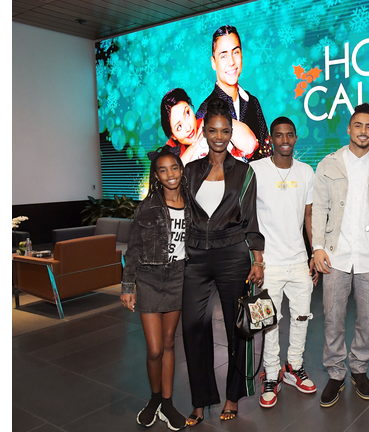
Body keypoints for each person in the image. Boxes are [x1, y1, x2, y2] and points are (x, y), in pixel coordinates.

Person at [180, 98, 265, 424]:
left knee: (238, 329)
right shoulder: (189, 171)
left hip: (233, 257)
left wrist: (257, 261)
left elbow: (251, 222)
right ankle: (200, 401)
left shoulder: (245, 172)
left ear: (232, 132)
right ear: (204, 131)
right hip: (196, 258)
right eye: (212, 130)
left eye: (224, 130)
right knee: (193, 328)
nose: (218, 136)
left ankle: (232, 397)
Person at [311, 103, 369, 408]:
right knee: (333, 318)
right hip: (335, 256)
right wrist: (317, 247)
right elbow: (319, 209)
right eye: (358, 126)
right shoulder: (329, 164)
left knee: (368, 318)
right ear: (348, 129)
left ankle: (359, 368)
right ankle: (336, 373)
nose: (364, 131)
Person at [249, 116, 318, 408]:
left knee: (302, 317)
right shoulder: (255, 170)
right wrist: (256, 259)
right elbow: (247, 218)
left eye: (290, 134)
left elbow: (309, 216)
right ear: (271, 140)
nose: (285, 140)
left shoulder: (306, 172)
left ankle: (293, 366)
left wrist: (314, 253)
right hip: (268, 264)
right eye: (279, 135)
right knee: (268, 322)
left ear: (295, 137)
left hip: (299, 261)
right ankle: (271, 373)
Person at [120, 147, 190, 430]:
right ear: (156, 176)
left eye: (174, 168)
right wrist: (128, 286)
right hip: (149, 279)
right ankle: (154, 400)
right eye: (163, 170)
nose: (170, 175)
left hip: (178, 278)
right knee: (154, 348)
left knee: (170, 342)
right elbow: (133, 248)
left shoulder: (191, 205)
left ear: (181, 170)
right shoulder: (147, 208)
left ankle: (168, 403)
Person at [196, 25, 273, 162]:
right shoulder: (205, 110)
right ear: (214, 62)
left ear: (242, 55)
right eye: (223, 55)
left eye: (235, 52)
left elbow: (267, 154)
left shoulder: (253, 102)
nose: (231, 62)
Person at [161, 88, 258, 165]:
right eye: (179, 127)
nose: (188, 127)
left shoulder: (209, 121)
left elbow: (250, 145)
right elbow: (172, 177)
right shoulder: (171, 150)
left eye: (187, 113)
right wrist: (195, 145)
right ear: (173, 135)